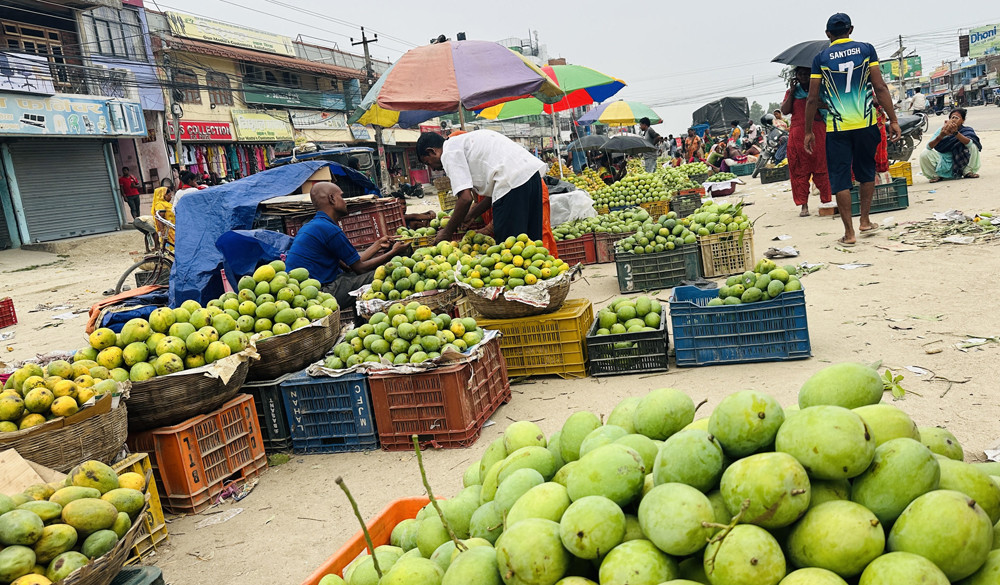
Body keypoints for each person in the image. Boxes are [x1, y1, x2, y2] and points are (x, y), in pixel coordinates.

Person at [804, 13, 901, 246]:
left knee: (840, 178)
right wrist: (893, 119)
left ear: (828, 34)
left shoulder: (821, 58)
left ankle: (849, 234)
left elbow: (812, 97)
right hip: (866, 123)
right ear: (851, 29)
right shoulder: (867, 50)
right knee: (866, 171)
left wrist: (808, 131)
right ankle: (865, 220)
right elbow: (879, 86)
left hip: (837, 127)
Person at [416, 130, 556, 253]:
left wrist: (447, 232)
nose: (433, 169)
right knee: (531, 246)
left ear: (432, 151)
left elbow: (465, 199)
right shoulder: (464, 143)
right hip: (531, 178)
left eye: (428, 163)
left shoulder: (449, 152)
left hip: (512, 184)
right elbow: (495, 193)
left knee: (510, 250)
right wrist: (471, 215)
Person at [284, 182, 410, 308]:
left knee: (355, 278)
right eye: (341, 197)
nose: (345, 202)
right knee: (381, 275)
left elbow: (349, 265)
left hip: (300, 295)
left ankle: (361, 322)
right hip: (318, 295)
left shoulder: (313, 226)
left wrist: (377, 245)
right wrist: (393, 252)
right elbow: (360, 268)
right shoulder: (328, 229)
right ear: (332, 199)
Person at [782, 66, 833, 216]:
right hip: (797, 135)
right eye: (800, 73)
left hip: (818, 133)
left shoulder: (821, 89)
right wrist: (791, 92)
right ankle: (804, 205)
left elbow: (831, 106)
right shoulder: (792, 92)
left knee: (822, 167)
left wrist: (820, 104)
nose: (803, 76)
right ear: (796, 75)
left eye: (807, 73)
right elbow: (785, 110)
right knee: (799, 170)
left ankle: (826, 202)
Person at [919, 108, 982, 182]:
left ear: (963, 120)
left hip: (960, 160)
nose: (954, 120)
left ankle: (967, 171)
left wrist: (956, 133)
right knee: (924, 153)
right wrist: (941, 135)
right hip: (944, 160)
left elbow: (969, 143)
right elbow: (929, 147)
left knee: (973, 146)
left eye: (957, 118)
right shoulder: (942, 130)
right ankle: (936, 176)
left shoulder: (967, 130)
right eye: (952, 117)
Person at [151, 180, 176, 245]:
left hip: (173, 227)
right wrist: (162, 232)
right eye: (169, 195)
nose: (171, 197)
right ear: (164, 195)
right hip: (168, 230)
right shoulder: (160, 205)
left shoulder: (166, 203)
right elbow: (160, 218)